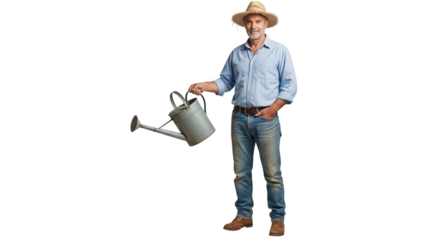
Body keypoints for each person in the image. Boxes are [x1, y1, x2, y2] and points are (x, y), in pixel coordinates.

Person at [188, 0, 298, 237]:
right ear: (244, 25)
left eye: (257, 21)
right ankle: (244, 215)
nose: (253, 25)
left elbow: (291, 86)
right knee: (240, 172)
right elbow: (225, 82)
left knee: (272, 173)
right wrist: (205, 86)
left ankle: (278, 220)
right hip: (238, 118)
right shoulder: (235, 53)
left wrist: (273, 109)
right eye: (249, 21)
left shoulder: (281, 51)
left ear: (265, 23)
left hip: (267, 119)